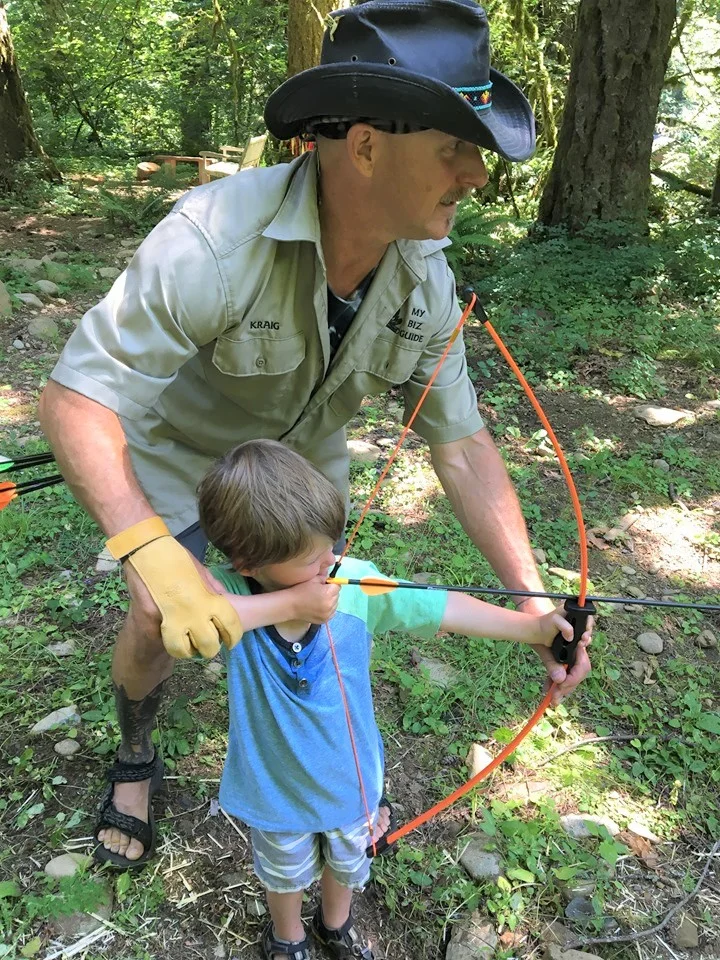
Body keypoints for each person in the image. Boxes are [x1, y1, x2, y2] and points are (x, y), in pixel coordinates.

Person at [38, 0, 592, 869]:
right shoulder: (215, 240)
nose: (475, 176)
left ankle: (317, 778)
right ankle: (136, 754)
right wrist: (149, 549)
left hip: (301, 482)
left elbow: (461, 443)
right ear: (366, 144)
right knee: (154, 615)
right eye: (454, 148)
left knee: (320, 622)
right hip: (180, 466)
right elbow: (78, 400)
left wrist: (530, 599)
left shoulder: (422, 275)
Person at [193, 439, 588, 960]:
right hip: (273, 790)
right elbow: (171, 601)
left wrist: (535, 627)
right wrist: (290, 602)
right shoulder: (224, 598)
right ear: (246, 562)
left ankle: (335, 926)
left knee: (347, 862)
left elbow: (438, 606)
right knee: (283, 874)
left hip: (349, 784)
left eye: (329, 549)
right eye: (310, 562)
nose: (330, 564)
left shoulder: (353, 584)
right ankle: (285, 938)